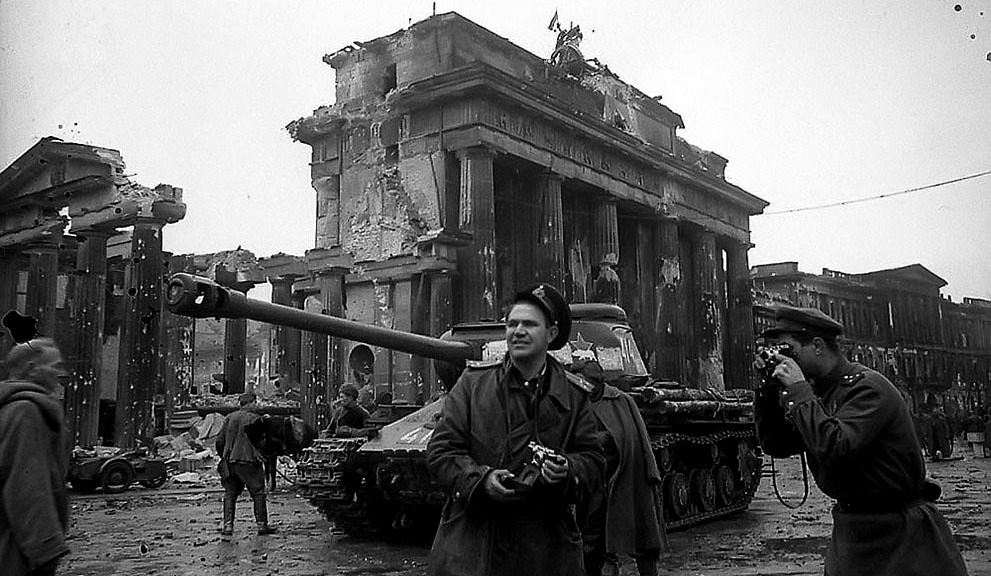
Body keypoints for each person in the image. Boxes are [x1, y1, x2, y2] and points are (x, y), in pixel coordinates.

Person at [754, 305, 967, 576]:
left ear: (817, 346)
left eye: (790, 350)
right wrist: (768, 392)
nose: (785, 359)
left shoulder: (867, 389)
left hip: (900, 536)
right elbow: (777, 444)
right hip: (853, 533)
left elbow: (834, 447)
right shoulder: (821, 393)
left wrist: (798, 390)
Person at [426, 283, 605, 576]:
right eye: (512, 324)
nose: (518, 331)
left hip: (545, 548)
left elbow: (595, 462)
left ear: (551, 333)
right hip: (474, 547)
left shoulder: (574, 396)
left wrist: (567, 470)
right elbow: (440, 452)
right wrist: (480, 481)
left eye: (530, 324)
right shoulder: (473, 384)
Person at [573, 360, 667, 576]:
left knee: (643, 537)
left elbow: (637, 440)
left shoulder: (620, 401)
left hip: (625, 479)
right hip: (591, 485)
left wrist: (604, 439)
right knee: (595, 546)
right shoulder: (574, 403)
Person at [0, 338, 70, 576]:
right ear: (32, 369)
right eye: (54, 366)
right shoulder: (24, 412)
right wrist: (46, 550)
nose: (60, 374)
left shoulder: (10, 407)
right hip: (16, 553)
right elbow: (27, 488)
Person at [215, 392, 277, 536]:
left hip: (230, 462)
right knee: (258, 493)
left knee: (230, 494)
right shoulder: (255, 419)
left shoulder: (229, 418)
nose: (257, 405)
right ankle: (262, 525)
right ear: (249, 403)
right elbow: (262, 442)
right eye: (255, 402)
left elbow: (219, 441)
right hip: (249, 461)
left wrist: (224, 456)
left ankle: (228, 526)